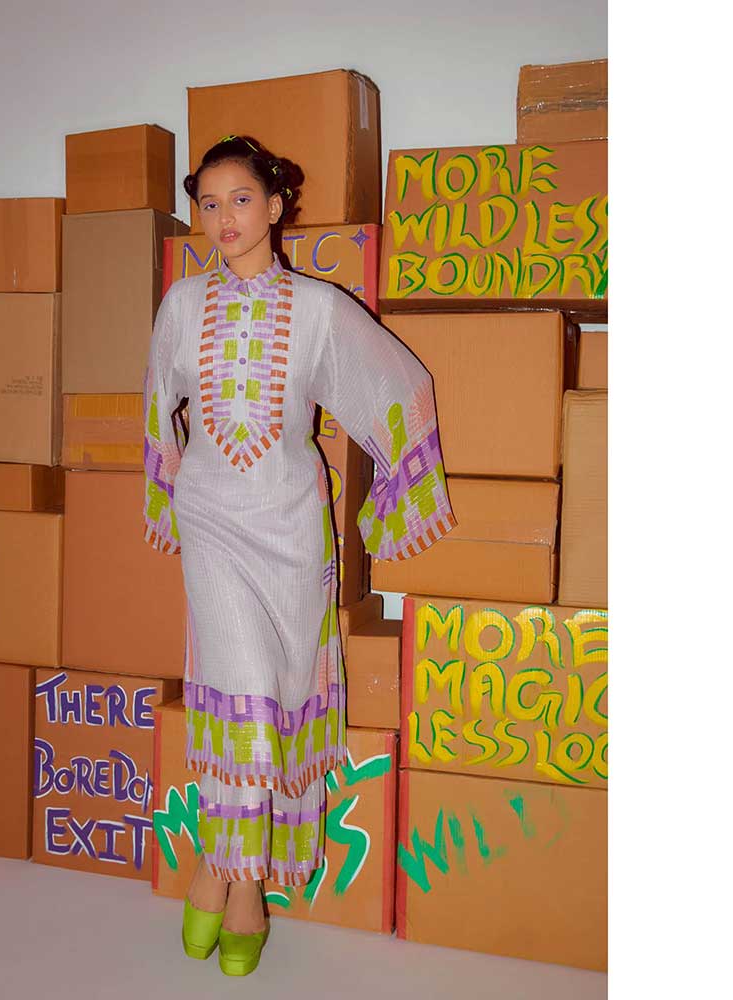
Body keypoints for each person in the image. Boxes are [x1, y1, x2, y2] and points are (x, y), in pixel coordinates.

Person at [141, 134, 456, 976]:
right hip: (212, 520)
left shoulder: (317, 310)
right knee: (241, 686)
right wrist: (167, 488)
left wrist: (390, 506)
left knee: (280, 692)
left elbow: (398, 384)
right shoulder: (182, 306)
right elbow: (157, 405)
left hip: (290, 524)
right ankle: (243, 886)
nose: (224, 218)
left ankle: (219, 864)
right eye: (209, 204)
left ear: (276, 206)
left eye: (241, 199)